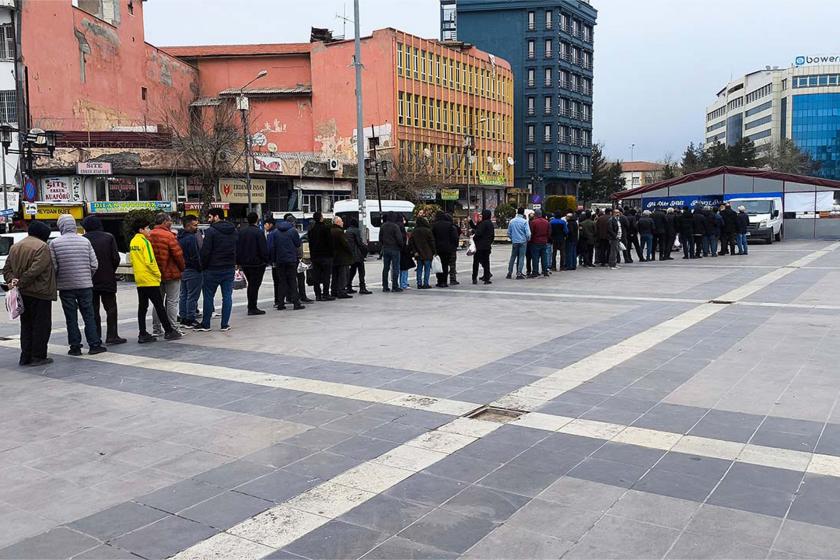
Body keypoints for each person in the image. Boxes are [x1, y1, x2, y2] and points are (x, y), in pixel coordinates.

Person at [50, 215, 106, 356]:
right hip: (85, 285)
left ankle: (75, 347)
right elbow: (94, 264)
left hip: (65, 287)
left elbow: (54, 267)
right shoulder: (85, 241)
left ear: (60, 226)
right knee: (89, 315)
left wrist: (60, 279)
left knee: (71, 318)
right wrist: (86, 277)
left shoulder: (55, 243)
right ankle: (94, 345)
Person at [3, 221, 56, 366]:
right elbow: (36, 270)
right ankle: (38, 356)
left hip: (22, 294)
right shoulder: (42, 247)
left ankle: (25, 356)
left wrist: (13, 281)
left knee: (26, 325)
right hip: (40, 292)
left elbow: (6, 269)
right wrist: (21, 281)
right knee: (41, 325)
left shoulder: (15, 247)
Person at [129, 217, 182, 343]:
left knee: (142, 307)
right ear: (141, 230)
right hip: (150, 279)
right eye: (147, 228)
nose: (149, 230)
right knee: (159, 306)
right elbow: (150, 261)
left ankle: (142, 333)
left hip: (140, 279)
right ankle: (169, 331)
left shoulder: (133, 242)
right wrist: (157, 275)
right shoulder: (144, 242)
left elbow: (132, 260)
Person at [82, 216, 125, 345]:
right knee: (111, 308)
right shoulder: (108, 237)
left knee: (93, 309)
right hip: (107, 278)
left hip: (90, 280)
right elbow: (115, 258)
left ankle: (96, 336)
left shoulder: (83, 240)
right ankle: (112, 335)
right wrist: (110, 270)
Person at [196, 208, 237, 332]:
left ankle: (206, 324)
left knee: (208, 296)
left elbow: (205, 251)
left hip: (212, 269)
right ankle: (225, 324)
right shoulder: (233, 230)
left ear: (216, 217)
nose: (209, 220)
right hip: (229, 267)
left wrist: (203, 266)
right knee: (227, 297)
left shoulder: (211, 232)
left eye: (210, 217)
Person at [148, 212, 186, 334]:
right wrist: (182, 268)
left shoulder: (149, 235)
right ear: (165, 222)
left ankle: (156, 328)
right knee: (172, 301)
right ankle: (173, 328)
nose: (171, 223)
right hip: (171, 272)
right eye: (170, 221)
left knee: (157, 302)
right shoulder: (169, 236)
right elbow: (178, 255)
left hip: (155, 274)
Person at [268, 213, 306, 310]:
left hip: (280, 260)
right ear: (292, 222)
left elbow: (272, 247)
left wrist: (273, 260)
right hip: (291, 260)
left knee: (282, 282)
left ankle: (281, 303)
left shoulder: (275, 232)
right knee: (292, 281)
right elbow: (297, 244)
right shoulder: (293, 231)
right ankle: (296, 303)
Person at [236, 211, 269, 315]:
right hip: (257, 263)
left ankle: (251, 305)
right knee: (254, 285)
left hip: (245, 263)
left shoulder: (241, 232)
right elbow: (263, 248)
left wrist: (238, 261)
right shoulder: (259, 232)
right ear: (257, 219)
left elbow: (238, 247)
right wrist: (265, 260)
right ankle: (252, 307)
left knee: (251, 284)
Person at [177, 215, 203, 329]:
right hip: (192, 269)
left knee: (184, 294)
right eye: (195, 225)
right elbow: (195, 255)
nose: (196, 227)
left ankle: (183, 317)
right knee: (192, 296)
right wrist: (200, 267)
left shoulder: (179, 237)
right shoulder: (191, 238)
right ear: (188, 226)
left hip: (182, 269)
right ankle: (190, 319)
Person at [284, 214, 314, 303]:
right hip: (294, 258)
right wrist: (300, 256)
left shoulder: (279, 231)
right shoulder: (293, 231)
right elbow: (298, 245)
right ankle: (302, 296)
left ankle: (289, 297)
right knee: (300, 277)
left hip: (284, 259)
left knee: (288, 279)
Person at [308, 211, 335, 301]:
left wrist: (312, 256)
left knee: (316, 276)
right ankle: (326, 294)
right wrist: (331, 254)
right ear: (320, 218)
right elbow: (330, 243)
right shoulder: (326, 229)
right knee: (326, 276)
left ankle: (318, 295)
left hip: (315, 257)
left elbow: (310, 245)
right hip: (326, 256)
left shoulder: (311, 230)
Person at [345, 218, 371, 295]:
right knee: (361, 271)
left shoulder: (348, 230)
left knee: (352, 270)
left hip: (351, 253)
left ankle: (348, 286)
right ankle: (362, 287)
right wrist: (365, 248)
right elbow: (359, 242)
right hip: (357, 254)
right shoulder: (356, 230)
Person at [329, 216, 354, 299]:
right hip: (342, 256)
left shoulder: (330, 231)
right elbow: (345, 244)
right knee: (343, 275)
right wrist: (351, 252)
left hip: (333, 256)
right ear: (337, 223)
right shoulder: (339, 232)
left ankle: (334, 291)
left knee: (335, 275)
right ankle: (342, 291)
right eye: (341, 221)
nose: (343, 222)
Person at [432, 212, 457, 287]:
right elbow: (454, 237)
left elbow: (432, 237)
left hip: (438, 248)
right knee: (445, 265)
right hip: (447, 248)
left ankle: (439, 281)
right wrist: (453, 246)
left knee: (439, 264)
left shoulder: (434, 225)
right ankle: (444, 282)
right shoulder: (449, 225)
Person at [410, 216, 435, 289]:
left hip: (418, 253)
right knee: (427, 269)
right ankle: (426, 283)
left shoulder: (414, 231)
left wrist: (415, 251)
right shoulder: (428, 230)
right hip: (428, 253)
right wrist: (434, 251)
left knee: (419, 269)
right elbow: (432, 242)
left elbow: (412, 243)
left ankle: (419, 283)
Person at [472, 209, 495, 284]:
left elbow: (478, 234)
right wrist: (489, 243)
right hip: (487, 246)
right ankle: (486, 279)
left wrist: (474, 239)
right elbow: (492, 236)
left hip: (479, 247)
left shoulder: (483, 223)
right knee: (486, 262)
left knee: (476, 262)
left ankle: (474, 278)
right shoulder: (490, 224)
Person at [506, 207, 530, 279]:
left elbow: (508, 233)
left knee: (513, 257)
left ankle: (509, 273)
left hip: (515, 242)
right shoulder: (524, 221)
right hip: (523, 242)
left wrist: (512, 238)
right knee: (521, 257)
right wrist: (527, 239)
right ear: (523, 213)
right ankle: (519, 273)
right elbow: (528, 234)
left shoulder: (512, 221)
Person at [529, 210, 550, 277]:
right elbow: (549, 233)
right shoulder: (547, 222)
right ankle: (545, 271)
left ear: (535, 215)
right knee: (544, 257)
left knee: (535, 258)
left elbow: (531, 233)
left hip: (535, 242)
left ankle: (535, 271)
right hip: (544, 241)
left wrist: (530, 241)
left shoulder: (533, 222)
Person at [398, 215, 415, 289]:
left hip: (400, 251)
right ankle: (403, 283)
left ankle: (402, 283)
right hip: (404, 251)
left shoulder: (398, 227)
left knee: (402, 268)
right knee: (404, 268)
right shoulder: (402, 228)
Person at [448, 218, 461, 286]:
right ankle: (452, 279)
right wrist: (456, 246)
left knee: (444, 264)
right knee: (452, 264)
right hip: (452, 248)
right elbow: (456, 238)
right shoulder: (453, 227)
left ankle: (441, 280)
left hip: (443, 248)